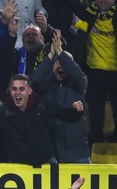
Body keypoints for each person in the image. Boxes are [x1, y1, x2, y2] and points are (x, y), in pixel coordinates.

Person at [48, 0, 117, 143]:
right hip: (95, 75)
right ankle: (94, 154)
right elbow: (71, 2)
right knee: (95, 120)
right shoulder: (90, 13)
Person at [0, 74, 84, 165]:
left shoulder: (43, 105)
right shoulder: (3, 110)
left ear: (29, 91)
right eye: (14, 89)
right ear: (10, 92)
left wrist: (77, 110)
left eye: (21, 89)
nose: (17, 92)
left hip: (46, 163)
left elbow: (69, 116)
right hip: (18, 167)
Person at [31, 30, 90, 163]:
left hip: (77, 152)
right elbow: (33, 82)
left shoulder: (78, 84)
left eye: (65, 62)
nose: (61, 65)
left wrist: (60, 53)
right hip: (51, 152)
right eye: (58, 63)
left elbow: (78, 74)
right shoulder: (45, 85)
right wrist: (51, 55)